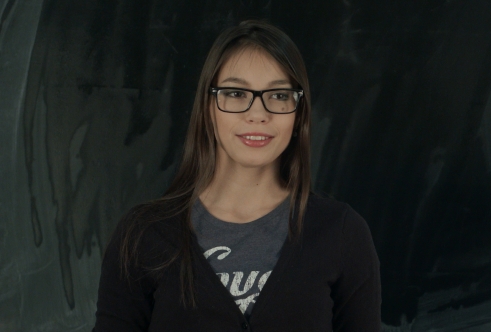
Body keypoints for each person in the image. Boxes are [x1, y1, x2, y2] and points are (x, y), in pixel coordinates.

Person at [93, 20, 381, 332]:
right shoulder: (141, 235)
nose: (258, 113)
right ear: (208, 107)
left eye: (279, 95)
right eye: (235, 92)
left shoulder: (342, 234)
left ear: (298, 115)